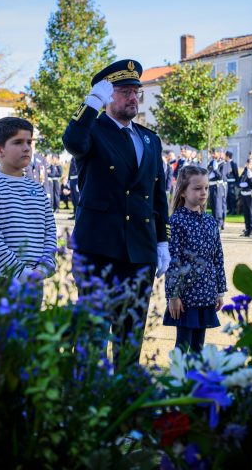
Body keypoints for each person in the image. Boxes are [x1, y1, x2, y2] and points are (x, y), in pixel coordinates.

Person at [62, 59, 170, 362]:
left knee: (131, 330)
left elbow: (157, 193)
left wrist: (162, 240)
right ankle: (85, 392)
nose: (133, 97)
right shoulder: (92, 130)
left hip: (140, 249)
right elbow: (72, 142)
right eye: (124, 91)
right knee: (92, 330)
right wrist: (90, 104)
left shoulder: (149, 138)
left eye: (136, 91)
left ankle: (124, 394)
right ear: (108, 95)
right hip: (100, 247)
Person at [0, 117, 57, 310]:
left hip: (34, 280)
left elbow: (50, 232)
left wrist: (44, 267)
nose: (26, 148)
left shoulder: (37, 189)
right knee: (2, 339)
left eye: (29, 142)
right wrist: (20, 272)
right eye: (18, 142)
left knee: (28, 338)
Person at [163, 165, 225, 353]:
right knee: (182, 346)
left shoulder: (210, 221)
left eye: (206, 188)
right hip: (185, 296)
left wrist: (220, 290)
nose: (203, 193)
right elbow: (172, 261)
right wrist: (173, 295)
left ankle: (196, 381)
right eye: (197, 188)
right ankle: (179, 380)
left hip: (206, 292)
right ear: (182, 191)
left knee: (198, 347)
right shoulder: (176, 222)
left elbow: (218, 257)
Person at [239, 156, 252, 237]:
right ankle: (247, 229)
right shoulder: (245, 171)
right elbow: (239, 180)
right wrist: (240, 184)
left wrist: (250, 178)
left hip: (251, 195)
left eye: (250, 163)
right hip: (244, 194)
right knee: (246, 213)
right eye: (248, 163)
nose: (248, 164)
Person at [207, 148, 227, 229]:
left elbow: (221, 176)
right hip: (211, 186)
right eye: (212, 153)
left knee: (218, 206)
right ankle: (214, 222)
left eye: (214, 153)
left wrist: (215, 170)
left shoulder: (223, 163)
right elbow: (208, 171)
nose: (213, 155)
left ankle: (219, 223)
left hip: (218, 186)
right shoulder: (212, 162)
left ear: (219, 153)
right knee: (213, 205)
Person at [224, 151, 239, 215]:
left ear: (227, 156)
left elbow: (236, 173)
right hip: (227, 182)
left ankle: (233, 210)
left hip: (232, 182)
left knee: (232, 196)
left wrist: (237, 183)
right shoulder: (225, 163)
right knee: (227, 196)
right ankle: (229, 209)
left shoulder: (233, 163)